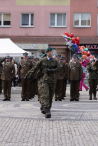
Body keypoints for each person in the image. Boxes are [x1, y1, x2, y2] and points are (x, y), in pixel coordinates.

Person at [25, 48, 61, 118]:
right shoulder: (42, 60)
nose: (49, 53)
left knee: (51, 95)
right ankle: (47, 110)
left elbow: (60, 69)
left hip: (52, 80)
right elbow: (35, 67)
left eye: (50, 52)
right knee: (45, 94)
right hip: (44, 80)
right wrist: (28, 74)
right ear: (46, 53)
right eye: (48, 52)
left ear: (52, 52)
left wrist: (51, 70)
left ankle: (47, 108)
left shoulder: (55, 61)